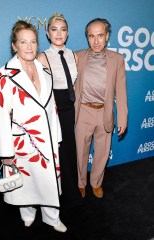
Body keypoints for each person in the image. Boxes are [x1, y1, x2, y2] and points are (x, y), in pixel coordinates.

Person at [0, 19, 67, 232]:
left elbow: (52, 107)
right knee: (26, 181)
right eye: (23, 42)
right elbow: (1, 115)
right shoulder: (5, 74)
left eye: (33, 42)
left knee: (49, 181)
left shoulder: (44, 70)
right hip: (22, 141)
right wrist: (6, 152)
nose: (29, 47)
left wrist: (57, 136)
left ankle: (52, 218)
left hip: (47, 139)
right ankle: (27, 213)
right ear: (14, 46)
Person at [75, 18, 128, 199]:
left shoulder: (117, 59)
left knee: (102, 152)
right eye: (91, 36)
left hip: (104, 112)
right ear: (87, 38)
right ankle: (80, 183)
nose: (96, 41)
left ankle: (96, 183)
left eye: (100, 36)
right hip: (83, 111)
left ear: (107, 37)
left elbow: (120, 91)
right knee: (80, 152)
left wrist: (122, 118)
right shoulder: (77, 56)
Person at [38, 12, 82, 209]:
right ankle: (53, 196)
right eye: (54, 29)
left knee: (69, 150)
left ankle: (71, 192)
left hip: (69, 107)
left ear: (68, 33)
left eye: (63, 29)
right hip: (52, 109)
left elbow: (75, 84)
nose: (58, 33)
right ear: (48, 33)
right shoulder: (42, 57)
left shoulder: (74, 55)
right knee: (55, 152)